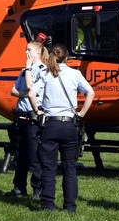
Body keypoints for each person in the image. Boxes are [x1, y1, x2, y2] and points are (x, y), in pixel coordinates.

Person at [36, 44, 94, 212]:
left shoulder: (46, 73)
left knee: (49, 166)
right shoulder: (75, 74)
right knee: (69, 167)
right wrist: (81, 113)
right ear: (67, 57)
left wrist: (37, 110)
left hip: (51, 123)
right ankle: (70, 205)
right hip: (69, 124)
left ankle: (48, 203)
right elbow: (90, 92)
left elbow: (32, 93)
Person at [4, 40, 48, 199]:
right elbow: (14, 90)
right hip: (21, 117)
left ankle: (38, 189)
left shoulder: (42, 70)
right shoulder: (24, 71)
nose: (26, 53)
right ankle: (19, 187)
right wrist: (25, 94)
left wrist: (26, 90)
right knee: (20, 155)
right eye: (25, 50)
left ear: (38, 52)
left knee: (33, 155)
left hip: (33, 117)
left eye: (29, 50)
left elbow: (31, 88)